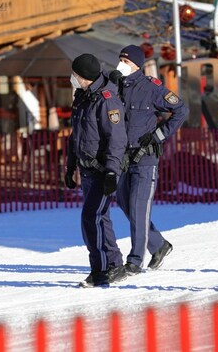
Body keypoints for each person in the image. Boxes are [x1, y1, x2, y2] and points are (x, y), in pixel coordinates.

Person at [111, 45, 188, 275]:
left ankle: (135, 260)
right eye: (120, 59)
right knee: (126, 204)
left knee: (138, 207)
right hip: (124, 157)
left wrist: (158, 136)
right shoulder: (115, 86)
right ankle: (159, 245)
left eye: (126, 61)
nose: (121, 64)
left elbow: (181, 110)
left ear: (137, 65)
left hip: (145, 158)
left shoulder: (151, 88)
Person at [65, 53, 128, 288]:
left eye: (75, 74)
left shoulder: (107, 99)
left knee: (91, 217)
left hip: (104, 169)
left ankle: (100, 270)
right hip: (87, 168)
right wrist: (71, 166)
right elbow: (76, 136)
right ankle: (114, 264)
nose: (72, 78)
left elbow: (116, 138)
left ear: (84, 77)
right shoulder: (82, 97)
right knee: (101, 218)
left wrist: (112, 171)